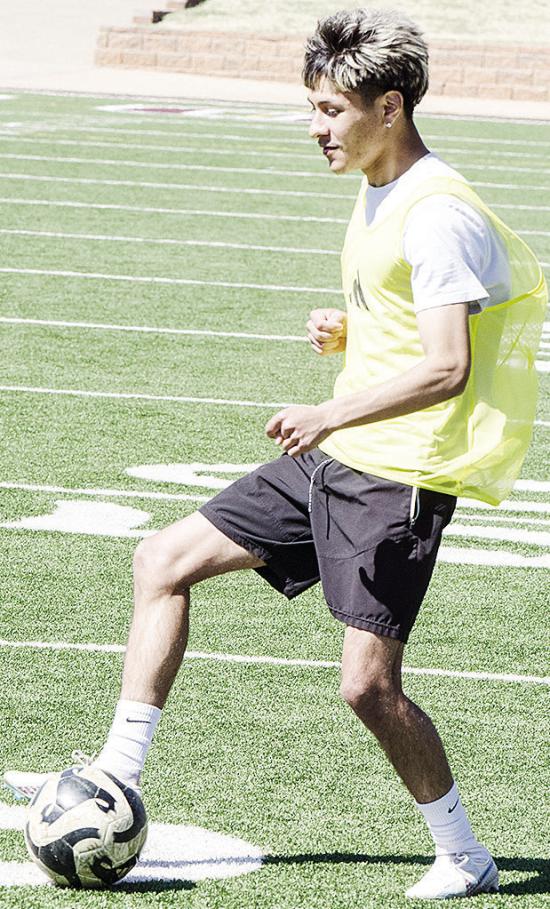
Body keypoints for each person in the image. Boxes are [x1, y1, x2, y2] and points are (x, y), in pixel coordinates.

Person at [5, 7, 546, 900]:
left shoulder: (438, 212)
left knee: (367, 688)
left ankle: (465, 852)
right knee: (162, 559)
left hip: (396, 474)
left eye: (332, 110)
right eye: (312, 107)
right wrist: (353, 333)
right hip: (340, 450)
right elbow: (420, 327)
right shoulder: (378, 186)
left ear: (391, 106)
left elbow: (449, 366)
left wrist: (330, 412)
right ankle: (118, 773)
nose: (316, 127)